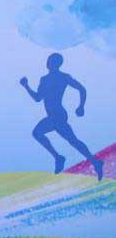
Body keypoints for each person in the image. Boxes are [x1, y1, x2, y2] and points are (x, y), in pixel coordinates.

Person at [20, 52, 104, 180]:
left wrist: (81, 106)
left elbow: (82, 89)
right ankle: (91, 161)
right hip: (53, 116)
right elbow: (38, 98)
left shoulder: (63, 77)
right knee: (70, 140)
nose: (48, 63)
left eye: (51, 61)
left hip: (58, 115)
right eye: (48, 60)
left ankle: (63, 158)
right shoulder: (44, 79)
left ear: (56, 64)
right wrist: (26, 86)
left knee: (66, 139)